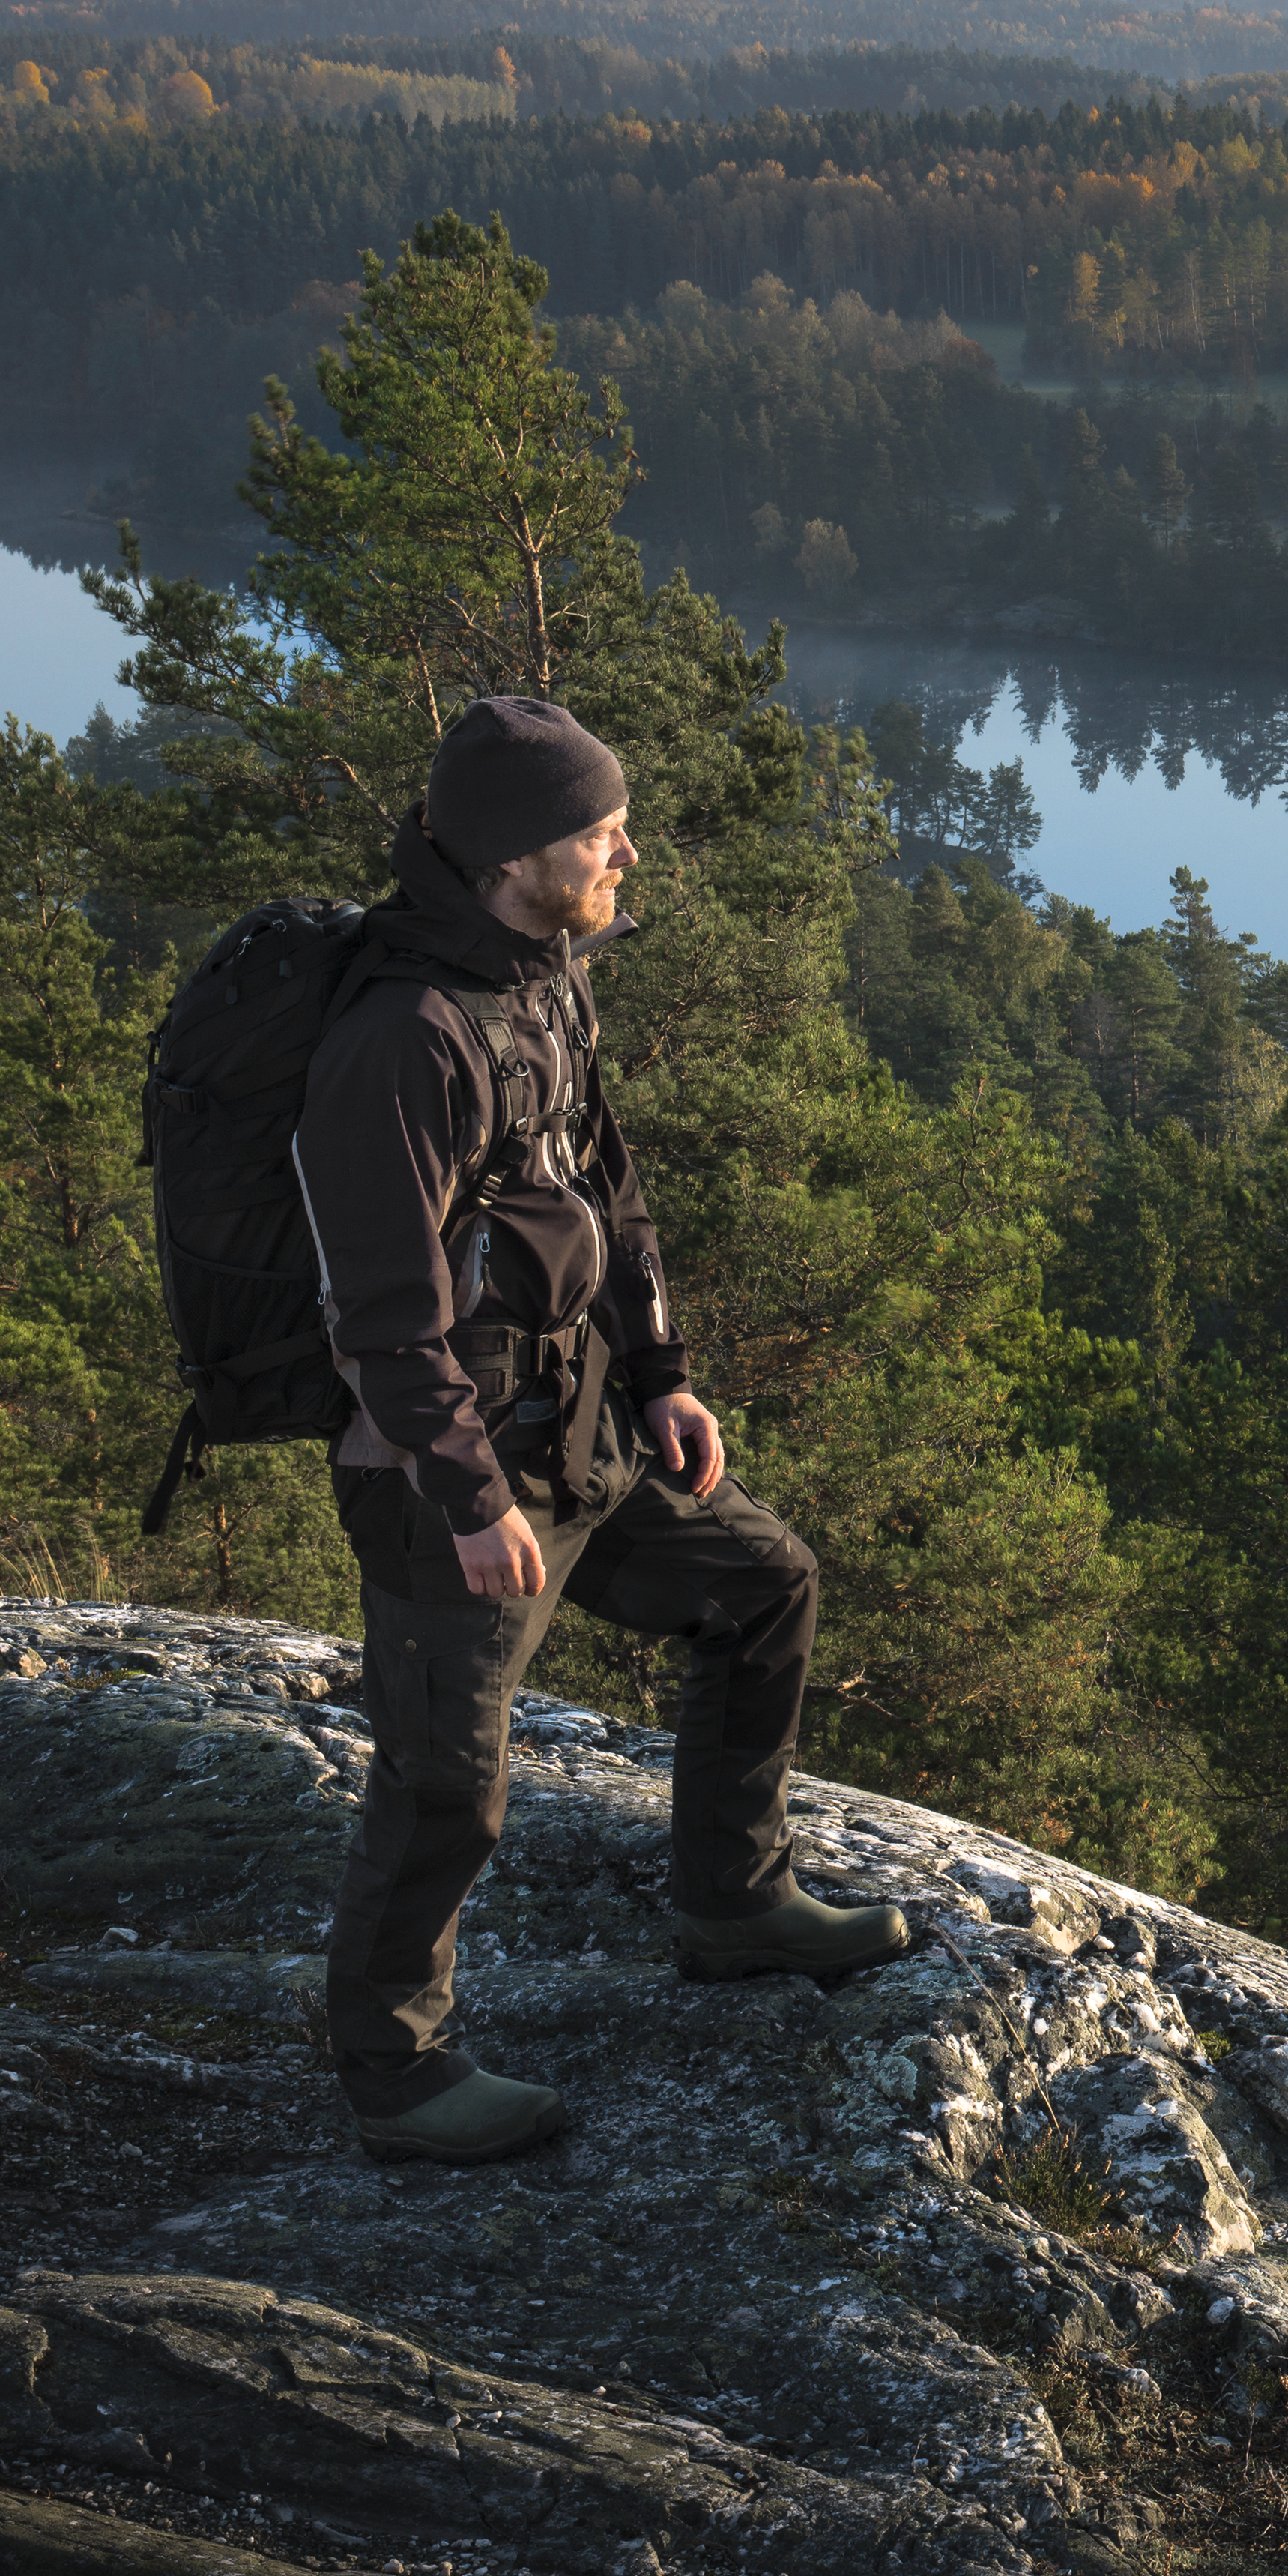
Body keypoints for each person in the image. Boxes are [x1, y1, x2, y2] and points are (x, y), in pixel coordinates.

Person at [299, 692, 911, 2165]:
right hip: (452, 1474)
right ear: (518, 855)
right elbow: (381, 1317)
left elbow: (607, 1194)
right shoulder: (404, 1041)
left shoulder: (544, 979)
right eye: (599, 830)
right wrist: (464, 1496)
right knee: (448, 1781)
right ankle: (395, 2069)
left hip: (577, 1436)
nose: (629, 849)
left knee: (763, 1586)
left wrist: (659, 1374)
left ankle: (733, 1902)